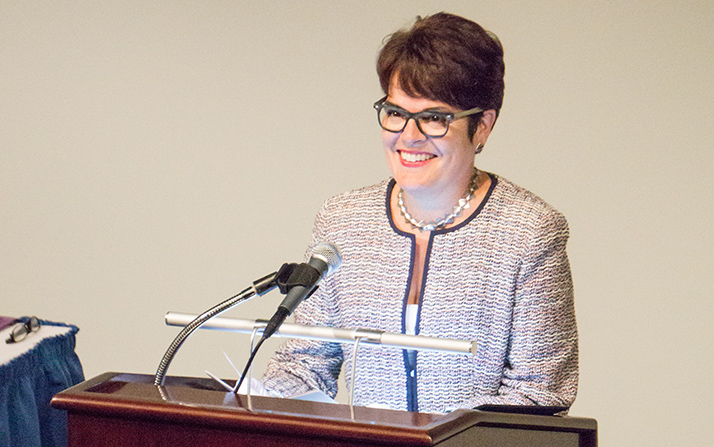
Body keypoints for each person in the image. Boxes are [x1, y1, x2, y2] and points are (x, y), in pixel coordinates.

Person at [262, 12, 578, 413]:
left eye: (433, 118)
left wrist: (433, 438)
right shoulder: (342, 221)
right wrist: (242, 405)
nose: (408, 137)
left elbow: (540, 394)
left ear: (481, 126)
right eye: (396, 113)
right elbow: (306, 366)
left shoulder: (529, 233)